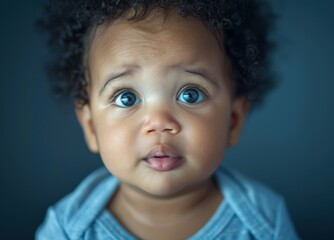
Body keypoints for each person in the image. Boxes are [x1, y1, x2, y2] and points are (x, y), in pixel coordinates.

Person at [36, 0, 299, 239]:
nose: (159, 122)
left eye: (190, 94)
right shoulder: (67, 228)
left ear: (233, 120)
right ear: (91, 127)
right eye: (127, 97)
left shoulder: (264, 223)